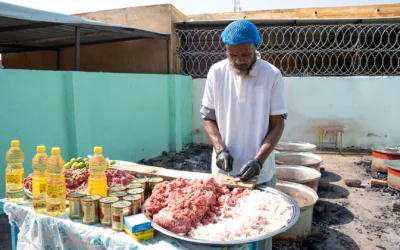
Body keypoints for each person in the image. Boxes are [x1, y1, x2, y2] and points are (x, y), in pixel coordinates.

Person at [201, 20, 287, 188]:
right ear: (226, 50)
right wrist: (220, 150)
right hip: (223, 173)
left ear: (255, 47)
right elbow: (208, 118)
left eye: (245, 55)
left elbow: (277, 125)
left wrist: (258, 161)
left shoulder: (271, 74)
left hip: (259, 175)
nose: (239, 61)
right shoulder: (216, 72)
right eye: (233, 55)